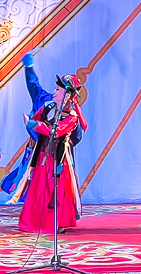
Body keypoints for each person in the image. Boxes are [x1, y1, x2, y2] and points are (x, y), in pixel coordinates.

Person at [16, 73, 87, 233]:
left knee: (56, 190)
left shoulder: (72, 116)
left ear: (68, 95)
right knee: (38, 188)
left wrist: (35, 124)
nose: (54, 92)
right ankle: (31, 222)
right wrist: (33, 126)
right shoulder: (47, 108)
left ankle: (56, 222)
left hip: (58, 157)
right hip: (42, 153)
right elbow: (35, 122)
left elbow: (56, 131)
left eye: (57, 89)